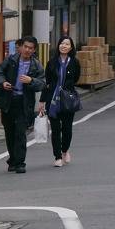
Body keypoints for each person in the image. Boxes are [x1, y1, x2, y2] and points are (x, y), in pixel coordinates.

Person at [0, 36, 44, 174]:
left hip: (24, 102)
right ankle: (13, 160)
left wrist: (31, 80)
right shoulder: (11, 60)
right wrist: (3, 83)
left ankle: (20, 163)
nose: (27, 50)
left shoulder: (36, 65)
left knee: (20, 133)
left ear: (34, 50)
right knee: (9, 132)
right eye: (25, 47)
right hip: (8, 101)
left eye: (30, 48)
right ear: (21, 47)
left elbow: (42, 83)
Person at [38, 36, 81, 168]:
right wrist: (42, 100)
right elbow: (48, 83)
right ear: (58, 46)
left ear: (71, 47)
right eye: (62, 43)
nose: (64, 46)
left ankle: (65, 150)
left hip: (68, 99)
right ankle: (57, 157)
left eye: (67, 44)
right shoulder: (52, 62)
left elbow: (76, 79)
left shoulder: (74, 62)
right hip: (53, 100)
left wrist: (65, 87)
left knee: (67, 128)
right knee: (55, 130)